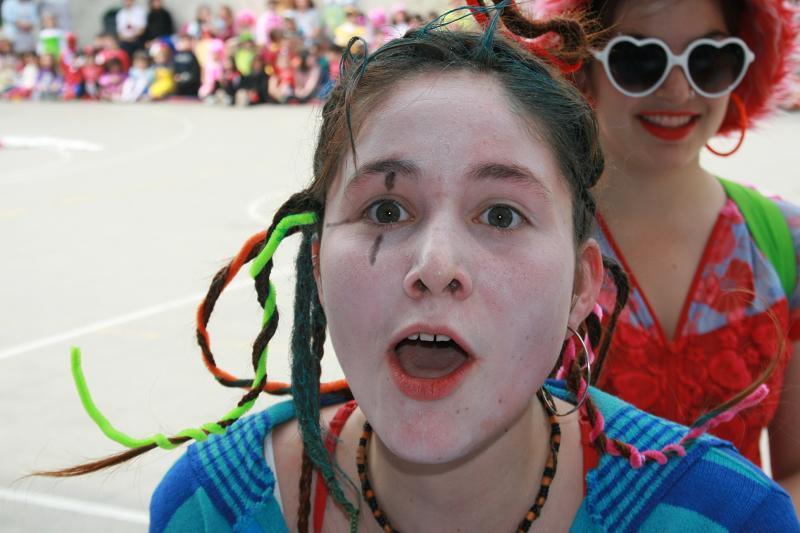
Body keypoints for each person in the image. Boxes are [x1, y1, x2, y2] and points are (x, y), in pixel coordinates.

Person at [42, 11, 798, 533]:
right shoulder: (210, 507)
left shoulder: (730, 517)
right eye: (386, 210)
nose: (436, 267)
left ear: (581, 286)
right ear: (317, 263)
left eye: (500, 214)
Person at [494, 0, 800, 508]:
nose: (678, 90)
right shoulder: (524, 243)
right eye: (639, 59)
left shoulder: (786, 241)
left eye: (708, 60)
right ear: (581, 68)